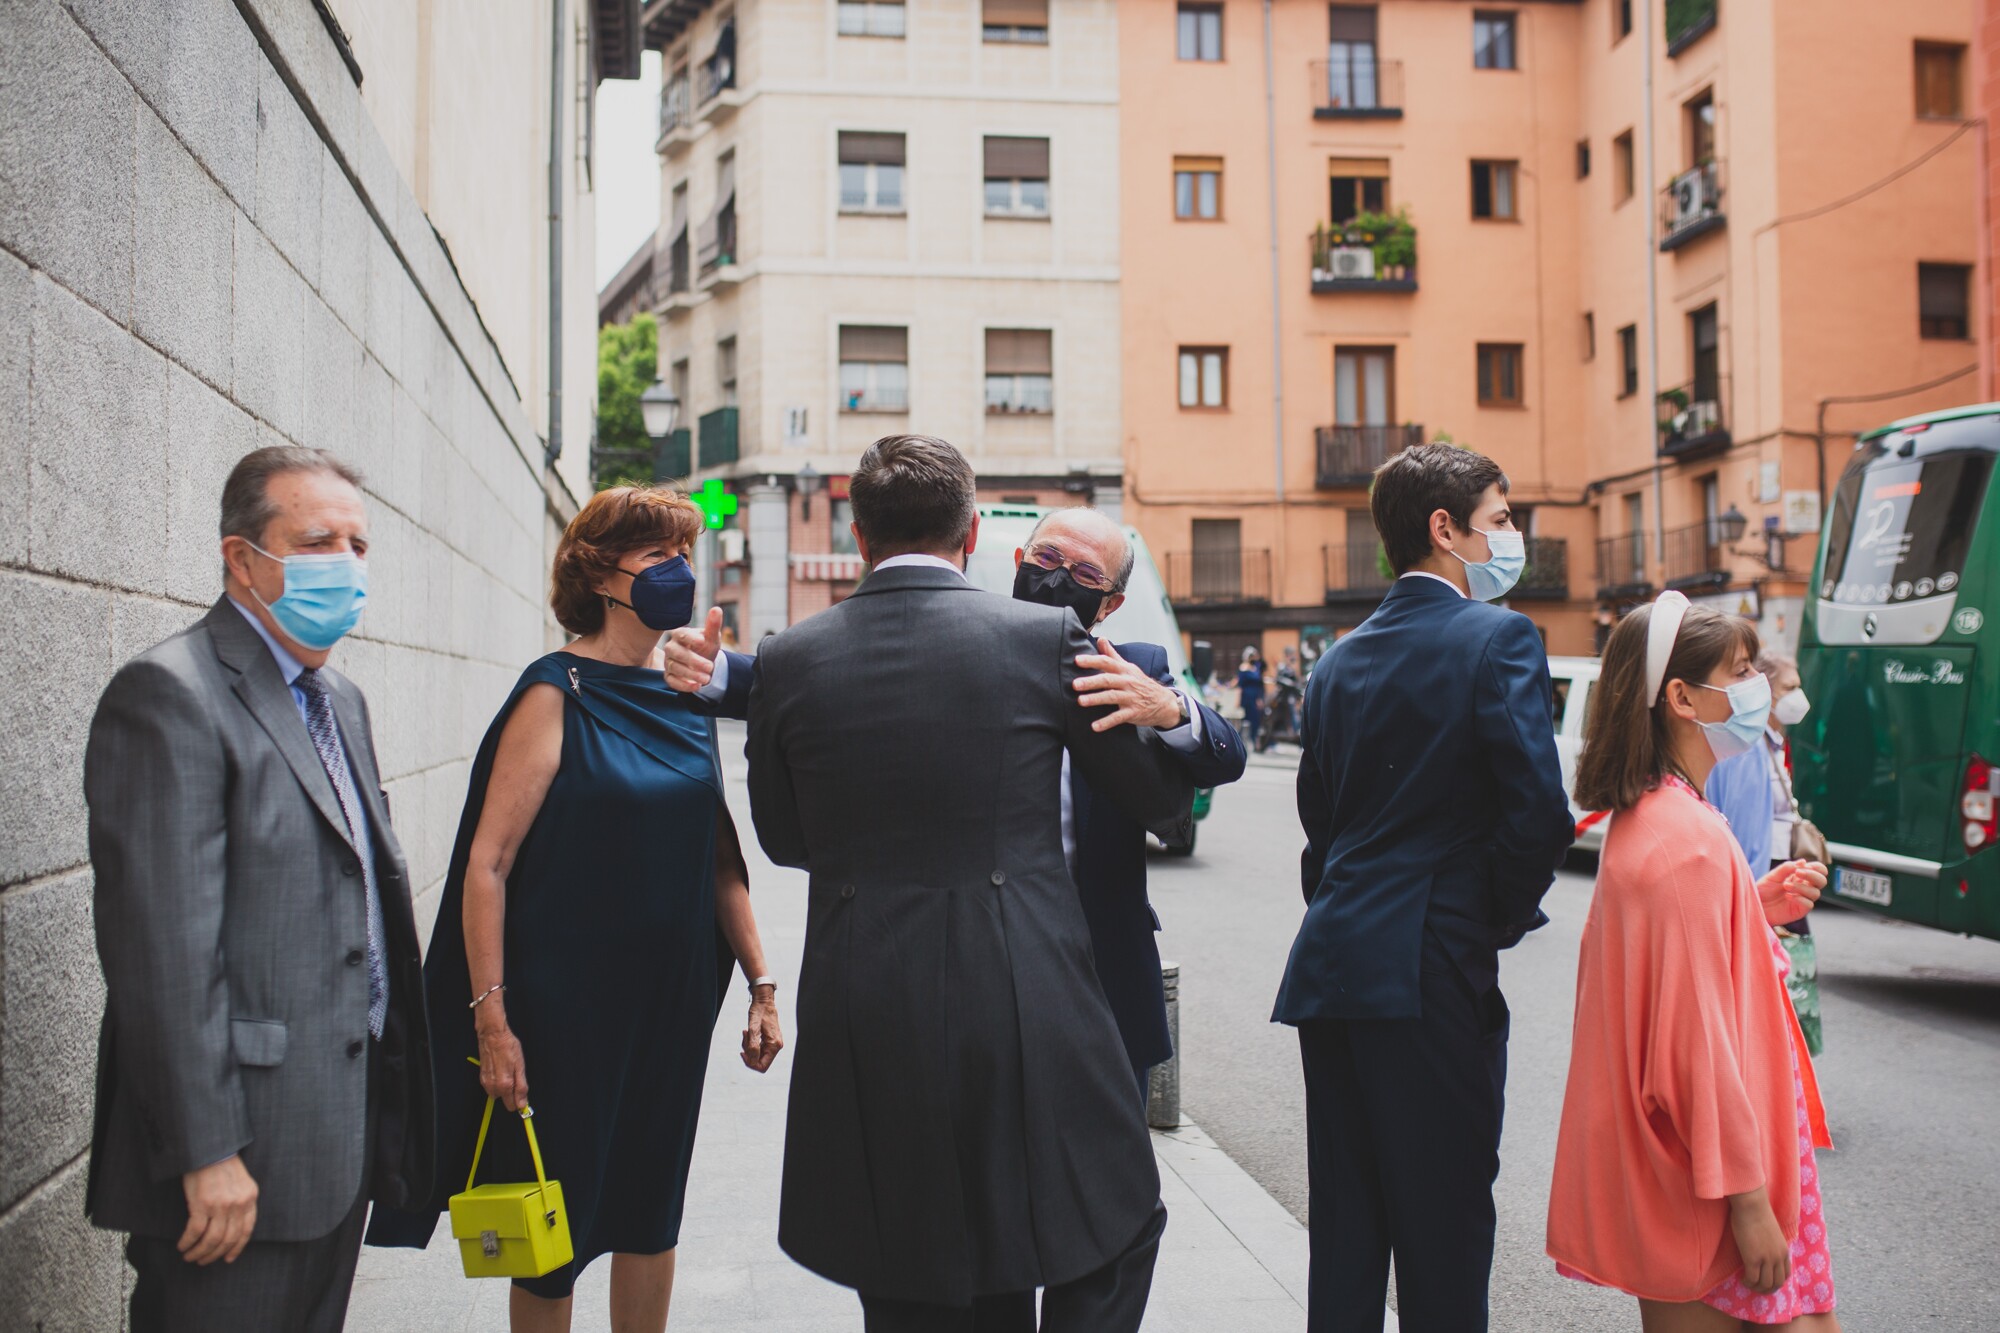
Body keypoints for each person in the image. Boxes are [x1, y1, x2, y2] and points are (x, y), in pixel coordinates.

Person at [744, 435, 1196, 1332]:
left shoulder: (789, 656)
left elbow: (784, 837)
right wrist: (1167, 711)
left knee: (910, 1261)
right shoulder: (1045, 638)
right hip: (1021, 986)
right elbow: (1154, 800)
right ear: (973, 531)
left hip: (862, 989)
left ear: (858, 534)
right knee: (1113, 1213)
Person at [365, 486, 783, 1333]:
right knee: (548, 1232)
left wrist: (762, 983)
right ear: (600, 573)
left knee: (650, 1209)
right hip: (562, 1017)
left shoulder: (689, 694)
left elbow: (720, 861)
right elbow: (487, 863)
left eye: (685, 556)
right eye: (658, 556)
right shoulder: (553, 691)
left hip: (668, 1012)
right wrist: (493, 1020)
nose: (680, 573)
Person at [83, 446, 434, 1332]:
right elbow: (162, 949)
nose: (348, 566)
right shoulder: (171, 693)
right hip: (231, 1165)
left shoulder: (338, 698)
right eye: (320, 541)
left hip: (332, 1143)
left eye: (360, 544)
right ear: (243, 559)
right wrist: (206, 1151)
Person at [1272, 443, 1573, 1333]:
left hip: (1330, 964)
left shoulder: (1335, 661)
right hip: (1429, 964)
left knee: (1349, 1224)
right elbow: (1538, 810)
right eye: (1502, 518)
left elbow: (1319, 827)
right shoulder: (1500, 635)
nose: (1513, 535)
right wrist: (1491, 916)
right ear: (1444, 530)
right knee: (1444, 1222)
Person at [1549, 592, 1839, 1331]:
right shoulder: (1689, 841)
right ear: (1680, 696)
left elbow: (1670, 973)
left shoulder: (1651, 816)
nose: (1757, 688)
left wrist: (1751, 904)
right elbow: (1694, 1046)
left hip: (1684, 1173)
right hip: (1712, 1187)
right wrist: (1749, 1201)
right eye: (1740, 671)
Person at [1009, 507, 1246, 1095]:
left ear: (1110, 602)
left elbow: (1226, 759)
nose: (1058, 576)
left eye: (1086, 574)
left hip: (1104, 965)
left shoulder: (1133, 666)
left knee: (1118, 1171)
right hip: (992, 964)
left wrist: (1168, 709)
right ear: (1020, 561)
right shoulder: (963, 657)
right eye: (1046, 559)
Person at [1707, 649, 1824, 1052]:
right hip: (1765, 886)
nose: (1799, 696)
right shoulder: (1750, 749)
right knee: (1778, 1005)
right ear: (1767, 692)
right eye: (1790, 687)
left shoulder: (1769, 744)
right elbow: (1738, 831)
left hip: (1775, 882)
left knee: (1789, 998)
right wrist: (1754, 907)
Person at [1236, 647, 1266, 750]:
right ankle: (1240, 741)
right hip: (1246, 696)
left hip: (1255, 696)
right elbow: (1240, 685)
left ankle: (1254, 740)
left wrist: (1260, 698)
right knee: (1245, 720)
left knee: (1255, 719)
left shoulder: (1255, 668)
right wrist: (1238, 700)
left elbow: (1259, 684)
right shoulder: (1243, 668)